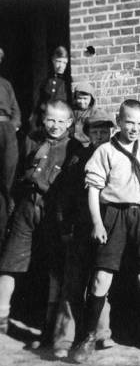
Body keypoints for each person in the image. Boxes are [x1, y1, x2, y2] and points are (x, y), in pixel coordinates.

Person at [71, 99, 140, 363]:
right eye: (129, 122)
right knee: (101, 278)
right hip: (113, 215)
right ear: (118, 121)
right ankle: (88, 336)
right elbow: (93, 190)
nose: (135, 128)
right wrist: (97, 222)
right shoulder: (105, 151)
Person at [0, 100, 77, 337]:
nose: (55, 125)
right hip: (26, 205)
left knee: (54, 266)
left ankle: (49, 325)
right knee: (10, 262)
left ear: (70, 123)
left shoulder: (74, 148)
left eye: (60, 121)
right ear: (43, 119)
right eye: (50, 119)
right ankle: (2, 316)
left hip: (52, 208)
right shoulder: (31, 140)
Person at [50, 109, 116, 359]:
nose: (100, 135)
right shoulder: (79, 159)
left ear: (111, 131)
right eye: (95, 131)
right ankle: (64, 339)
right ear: (88, 133)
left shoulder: (117, 155)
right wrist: (65, 226)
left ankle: (102, 333)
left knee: (102, 283)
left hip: (109, 229)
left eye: (104, 130)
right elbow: (64, 197)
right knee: (73, 283)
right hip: (81, 228)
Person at [0, 47, 21, 271]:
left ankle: (6, 211)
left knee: (8, 172)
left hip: (5, 128)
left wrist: (12, 126)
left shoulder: (5, 84)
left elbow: (16, 110)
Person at [30, 46, 71, 133]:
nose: (61, 66)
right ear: (53, 60)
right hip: (46, 122)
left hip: (61, 123)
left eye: (64, 63)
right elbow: (39, 103)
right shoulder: (46, 81)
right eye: (58, 61)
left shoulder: (68, 82)